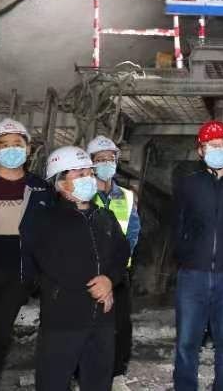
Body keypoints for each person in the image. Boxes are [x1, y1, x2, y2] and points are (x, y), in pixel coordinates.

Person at [32, 146, 129, 391]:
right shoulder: (46, 220)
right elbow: (52, 263)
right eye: (79, 174)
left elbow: (121, 254)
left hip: (103, 318)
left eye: (90, 173)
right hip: (63, 317)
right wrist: (96, 287)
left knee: (98, 382)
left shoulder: (105, 217)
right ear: (60, 183)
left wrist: (109, 280)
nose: (89, 178)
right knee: (53, 382)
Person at [172, 120, 223, 391]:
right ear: (201, 150)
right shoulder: (187, 185)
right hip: (192, 276)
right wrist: (186, 257)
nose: (218, 149)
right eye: (212, 145)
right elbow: (177, 226)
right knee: (186, 343)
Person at [0, 119, 54, 389]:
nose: (10, 149)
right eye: (3, 144)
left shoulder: (41, 189)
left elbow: (49, 235)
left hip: (18, 274)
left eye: (17, 144)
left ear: (28, 149)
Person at [87, 135, 140, 390]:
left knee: (120, 326)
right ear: (90, 163)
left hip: (119, 273)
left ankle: (117, 373)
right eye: (100, 159)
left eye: (110, 159)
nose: (106, 163)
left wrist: (117, 266)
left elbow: (132, 234)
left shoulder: (127, 197)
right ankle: (83, 373)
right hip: (88, 273)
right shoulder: (84, 194)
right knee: (87, 325)